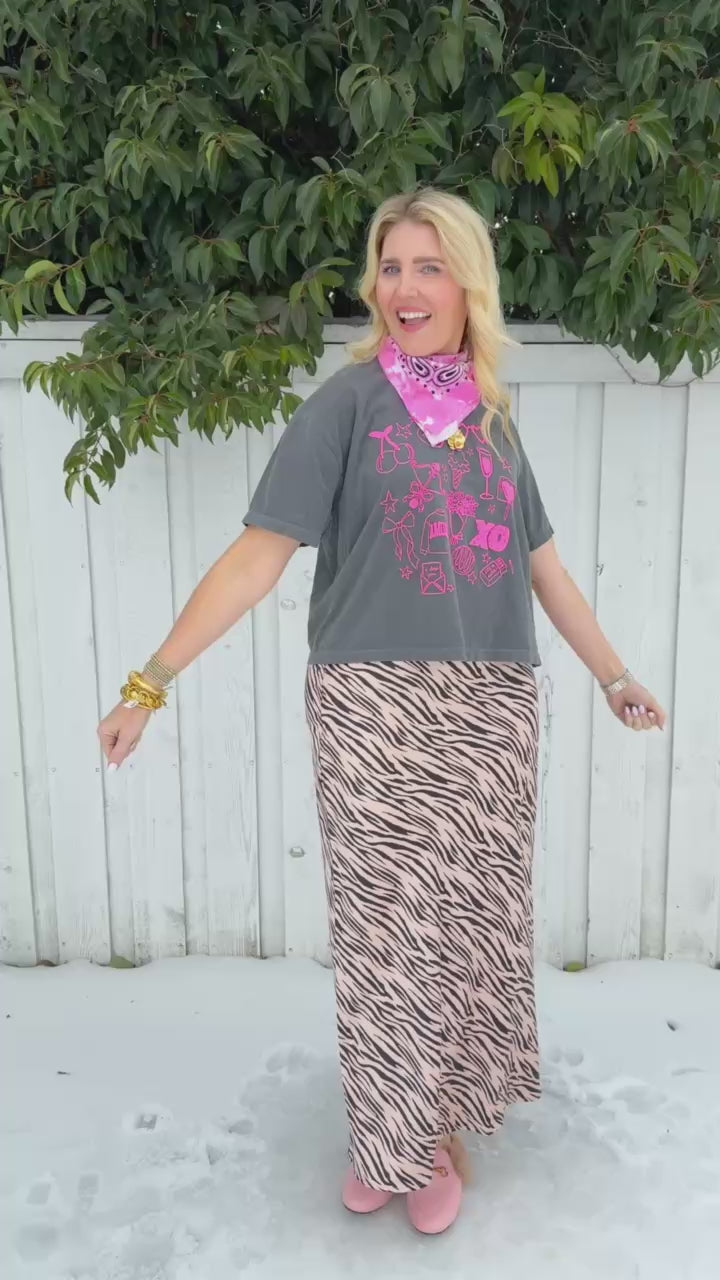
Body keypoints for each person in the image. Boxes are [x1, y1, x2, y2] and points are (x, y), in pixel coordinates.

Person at [97, 188, 667, 1236]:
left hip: (491, 703)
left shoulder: (493, 422)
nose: (404, 287)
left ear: (468, 284)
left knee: (466, 924)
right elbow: (257, 556)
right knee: (385, 933)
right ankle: (389, 1134)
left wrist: (613, 673)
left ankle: (436, 1128)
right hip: (371, 703)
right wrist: (151, 679)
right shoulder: (346, 406)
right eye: (391, 266)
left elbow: (545, 570)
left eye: (428, 266)